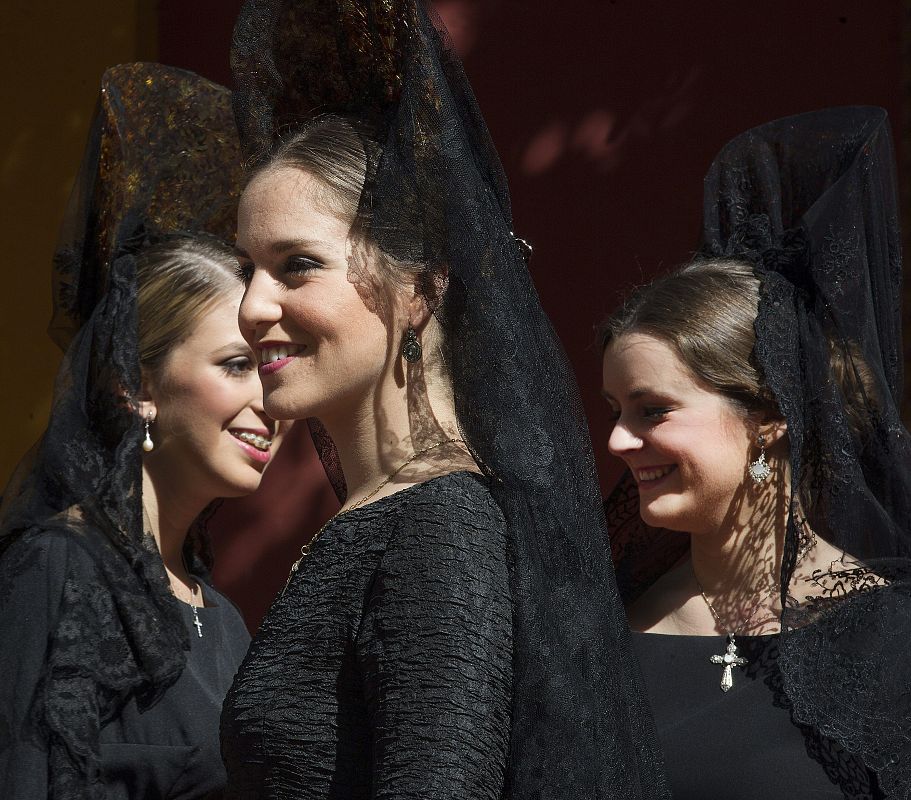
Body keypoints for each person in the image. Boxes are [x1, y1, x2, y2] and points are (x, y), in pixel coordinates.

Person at [220, 1, 668, 798]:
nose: (252, 307)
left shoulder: (438, 523)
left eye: (296, 266)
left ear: (420, 291)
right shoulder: (379, 515)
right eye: (246, 268)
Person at [600, 107, 911, 798]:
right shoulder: (597, 621)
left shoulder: (887, 642)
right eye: (615, 411)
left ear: (767, 416)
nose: (619, 441)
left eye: (652, 410)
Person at [0, 63, 277, 799]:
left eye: (270, 366)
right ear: (136, 385)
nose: (270, 400)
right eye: (235, 364)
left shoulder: (222, 620)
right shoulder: (60, 569)